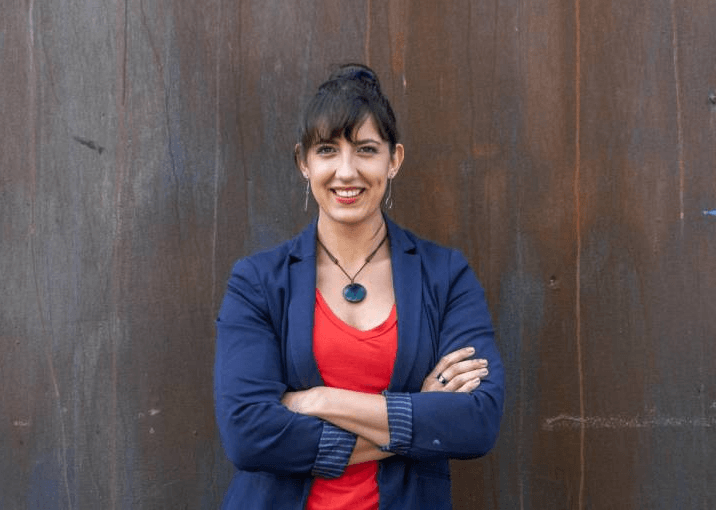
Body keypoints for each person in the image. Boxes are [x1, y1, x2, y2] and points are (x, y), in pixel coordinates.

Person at [214, 63, 504, 509]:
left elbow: (476, 421)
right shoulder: (258, 281)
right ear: (303, 164)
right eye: (328, 150)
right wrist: (417, 415)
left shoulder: (444, 275)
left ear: (394, 160)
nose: (346, 172)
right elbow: (248, 435)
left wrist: (317, 400)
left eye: (366, 150)